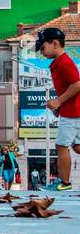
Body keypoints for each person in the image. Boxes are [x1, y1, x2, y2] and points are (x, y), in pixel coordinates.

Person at [37, 26, 80, 191]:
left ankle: (65, 184)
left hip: (73, 114)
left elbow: (77, 84)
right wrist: (59, 106)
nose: (41, 52)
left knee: (61, 146)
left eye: (43, 48)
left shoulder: (64, 63)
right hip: (72, 111)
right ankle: (64, 183)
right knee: (77, 147)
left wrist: (59, 101)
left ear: (55, 43)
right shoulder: (59, 63)